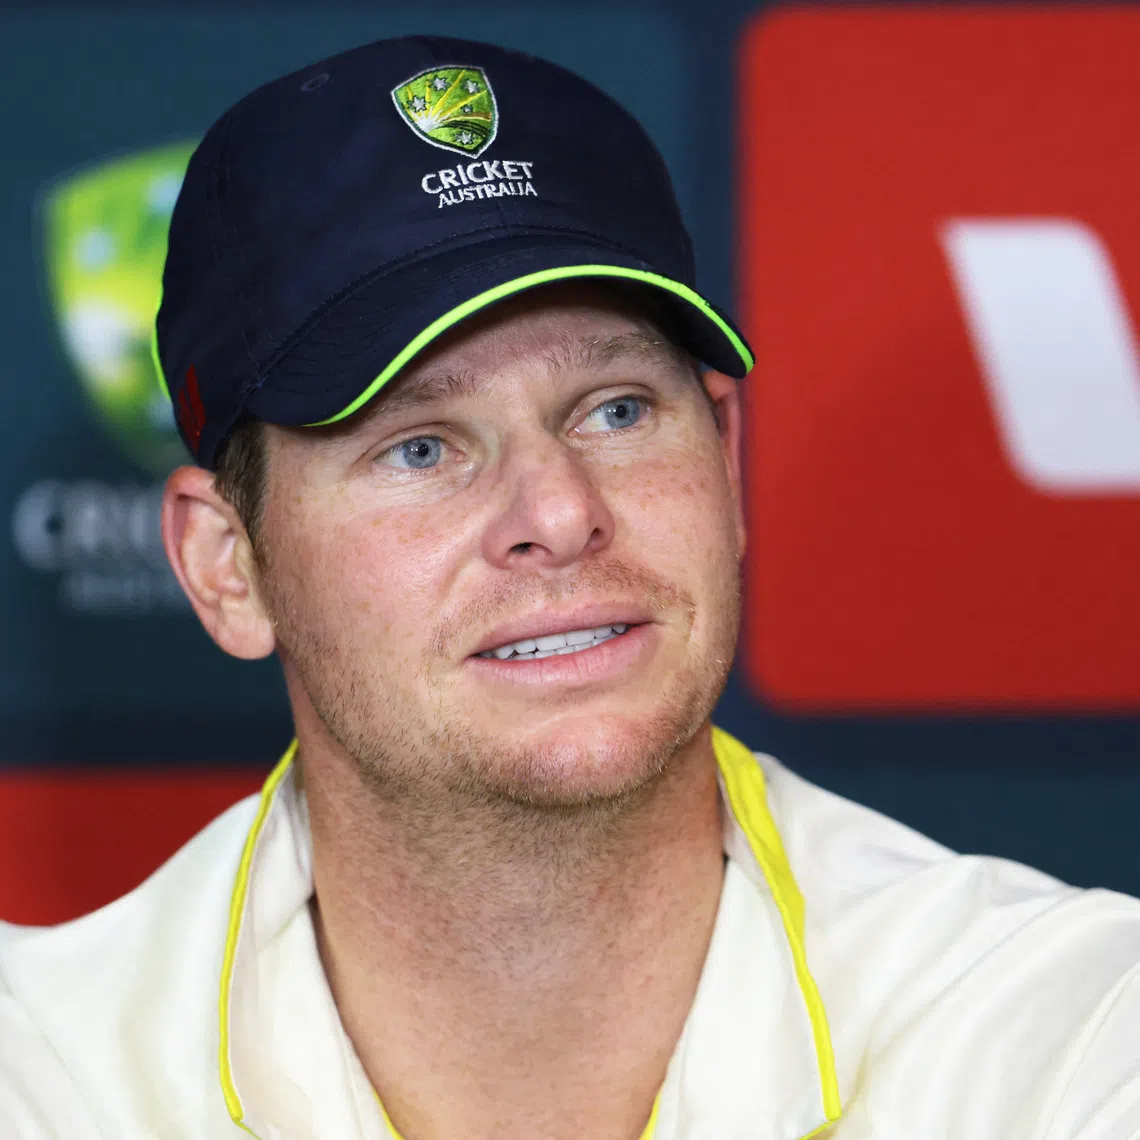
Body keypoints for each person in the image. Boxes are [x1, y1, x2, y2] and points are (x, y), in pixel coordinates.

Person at [2, 33, 1138, 1140]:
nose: (558, 512)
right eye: (420, 447)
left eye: (617, 410)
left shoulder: (1070, 1035)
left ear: (725, 462)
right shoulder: (41, 1079)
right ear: (226, 564)